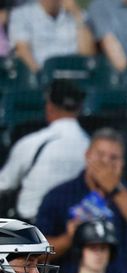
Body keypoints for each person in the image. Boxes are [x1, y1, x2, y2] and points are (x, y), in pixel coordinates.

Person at [36, 127, 127, 273]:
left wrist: (114, 189)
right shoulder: (59, 195)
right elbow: (37, 254)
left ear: (122, 163)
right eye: (100, 155)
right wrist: (69, 238)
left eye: (114, 158)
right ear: (87, 156)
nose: (106, 163)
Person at [0, 80, 89, 223]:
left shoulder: (32, 143)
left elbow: (4, 184)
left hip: (32, 231)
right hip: (76, 230)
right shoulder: (91, 146)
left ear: (49, 106)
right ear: (79, 108)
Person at [8, 0, 94, 73]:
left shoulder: (78, 15)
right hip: (41, 77)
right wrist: (40, 76)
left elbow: (87, 55)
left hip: (75, 76)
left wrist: (77, 15)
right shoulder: (21, 14)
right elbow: (22, 50)